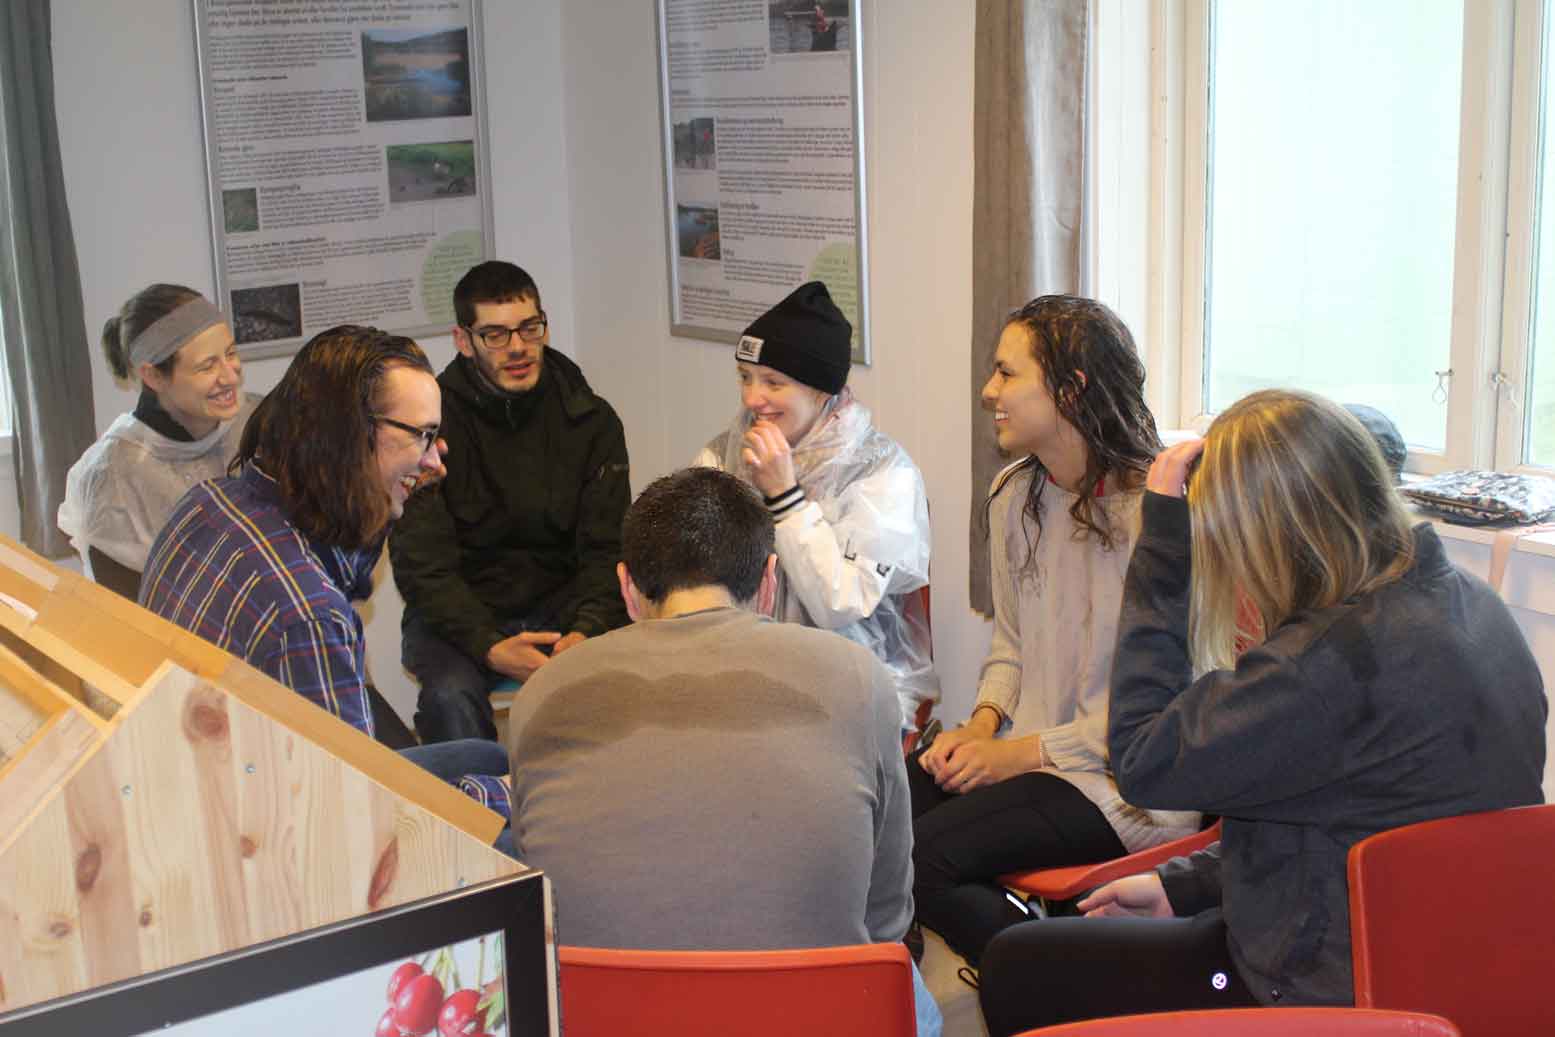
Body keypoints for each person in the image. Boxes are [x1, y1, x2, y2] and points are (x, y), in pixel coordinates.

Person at [977, 390, 1547, 1035]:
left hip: (1315, 990)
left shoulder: (1327, 665)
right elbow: (1346, 812)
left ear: (1271, 536)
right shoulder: (1469, 605)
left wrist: (1163, 545)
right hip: (1434, 964)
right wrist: (1186, 886)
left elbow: (1139, 759)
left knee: (1019, 968)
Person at [505, 466, 940, 1036]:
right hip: (811, 1017)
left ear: (627, 589)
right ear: (768, 580)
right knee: (911, 991)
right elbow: (888, 915)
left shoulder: (541, 693)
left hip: (607, 1018)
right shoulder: (859, 676)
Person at [910, 296, 1198, 968]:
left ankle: (1061, 978)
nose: (989, 393)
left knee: (925, 857)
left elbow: (1165, 716)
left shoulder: (1160, 516)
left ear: (1070, 390)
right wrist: (981, 727)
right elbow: (1011, 646)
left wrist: (1010, 756)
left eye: (1008, 375)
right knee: (876, 816)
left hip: (1127, 787)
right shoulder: (1014, 495)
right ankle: (1037, 957)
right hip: (1031, 754)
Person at [139, 325, 506, 781]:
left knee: (490, 760)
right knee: (507, 790)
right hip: (282, 820)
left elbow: (338, 571)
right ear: (351, 434)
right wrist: (502, 800)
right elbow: (356, 815)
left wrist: (392, 489)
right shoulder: (309, 617)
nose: (435, 462)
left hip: (212, 774)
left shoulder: (206, 503)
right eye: (423, 436)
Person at [389, 261, 630, 744]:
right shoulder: (429, 427)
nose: (518, 347)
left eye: (529, 328)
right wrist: (490, 645)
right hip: (462, 615)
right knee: (449, 698)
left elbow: (608, 550)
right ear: (463, 340)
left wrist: (583, 632)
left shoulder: (591, 420)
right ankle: (471, 817)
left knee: (618, 689)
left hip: (565, 612)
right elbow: (423, 567)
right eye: (495, 335)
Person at [694, 280, 937, 731]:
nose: (752, 398)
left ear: (821, 391)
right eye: (746, 378)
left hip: (850, 688)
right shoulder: (721, 457)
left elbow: (840, 603)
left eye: (773, 382)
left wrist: (785, 498)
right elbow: (694, 583)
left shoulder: (884, 473)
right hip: (739, 676)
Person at [58, 284, 257, 600]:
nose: (230, 376)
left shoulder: (253, 424)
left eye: (230, 354)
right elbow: (131, 619)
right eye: (207, 366)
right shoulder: (113, 478)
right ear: (153, 376)